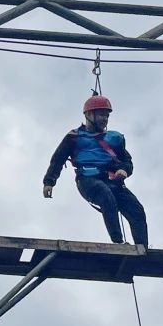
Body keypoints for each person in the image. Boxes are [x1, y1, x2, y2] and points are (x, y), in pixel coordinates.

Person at [42, 95, 148, 246]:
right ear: (89, 115)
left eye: (107, 115)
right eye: (101, 114)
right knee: (106, 196)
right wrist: (49, 182)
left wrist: (124, 170)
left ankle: (142, 248)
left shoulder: (114, 138)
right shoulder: (74, 137)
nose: (105, 118)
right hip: (87, 179)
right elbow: (57, 160)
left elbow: (126, 161)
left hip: (111, 180)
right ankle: (118, 242)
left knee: (135, 209)